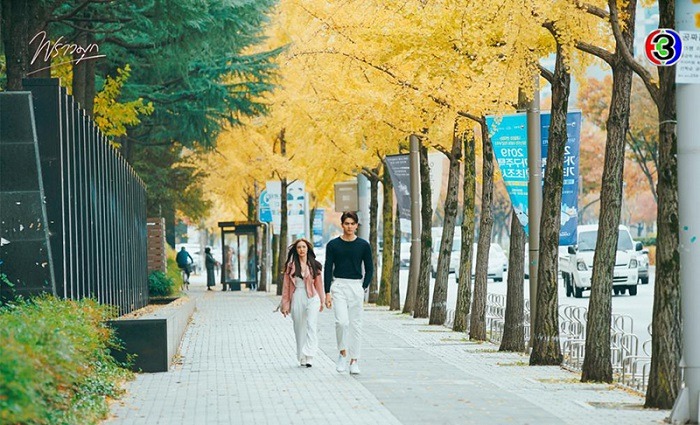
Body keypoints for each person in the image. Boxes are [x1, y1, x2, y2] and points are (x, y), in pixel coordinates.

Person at [324, 211, 373, 375]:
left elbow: (370, 268)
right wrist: (327, 292)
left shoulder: (363, 245)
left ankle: (354, 360)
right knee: (342, 322)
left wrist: (363, 287)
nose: (349, 226)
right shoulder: (333, 245)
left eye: (352, 224)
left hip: (356, 286)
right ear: (342, 225)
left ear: (357, 225)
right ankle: (342, 353)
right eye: (347, 223)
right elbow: (328, 268)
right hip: (338, 285)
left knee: (356, 324)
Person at [281, 239, 325, 367]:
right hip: (297, 296)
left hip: (312, 297)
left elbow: (319, 285)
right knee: (299, 327)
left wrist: (322, 300)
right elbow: (286, 287)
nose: (301, 249)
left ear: (308, 249)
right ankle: (302, 355)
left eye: (304, 247)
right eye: (299, 247)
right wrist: (285, 304)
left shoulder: (314, 265)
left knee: (311, 325)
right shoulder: (290, 267)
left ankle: (310, 355)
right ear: (296, 250)